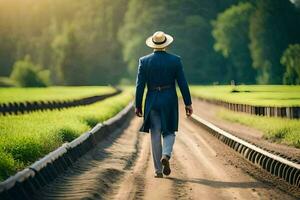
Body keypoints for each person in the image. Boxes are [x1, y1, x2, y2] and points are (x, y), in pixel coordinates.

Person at [135, 31, 193, 178]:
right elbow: (183, 83)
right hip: (169, 100)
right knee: (169, 131)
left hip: (152, 100)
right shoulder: (175, 60)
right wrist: (188, 103)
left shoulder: (144, 61)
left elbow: (139, 86)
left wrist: (138, 105)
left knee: (155, 134)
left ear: (153, 44)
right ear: (166, 44)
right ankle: (166, 155)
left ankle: (158, 170)